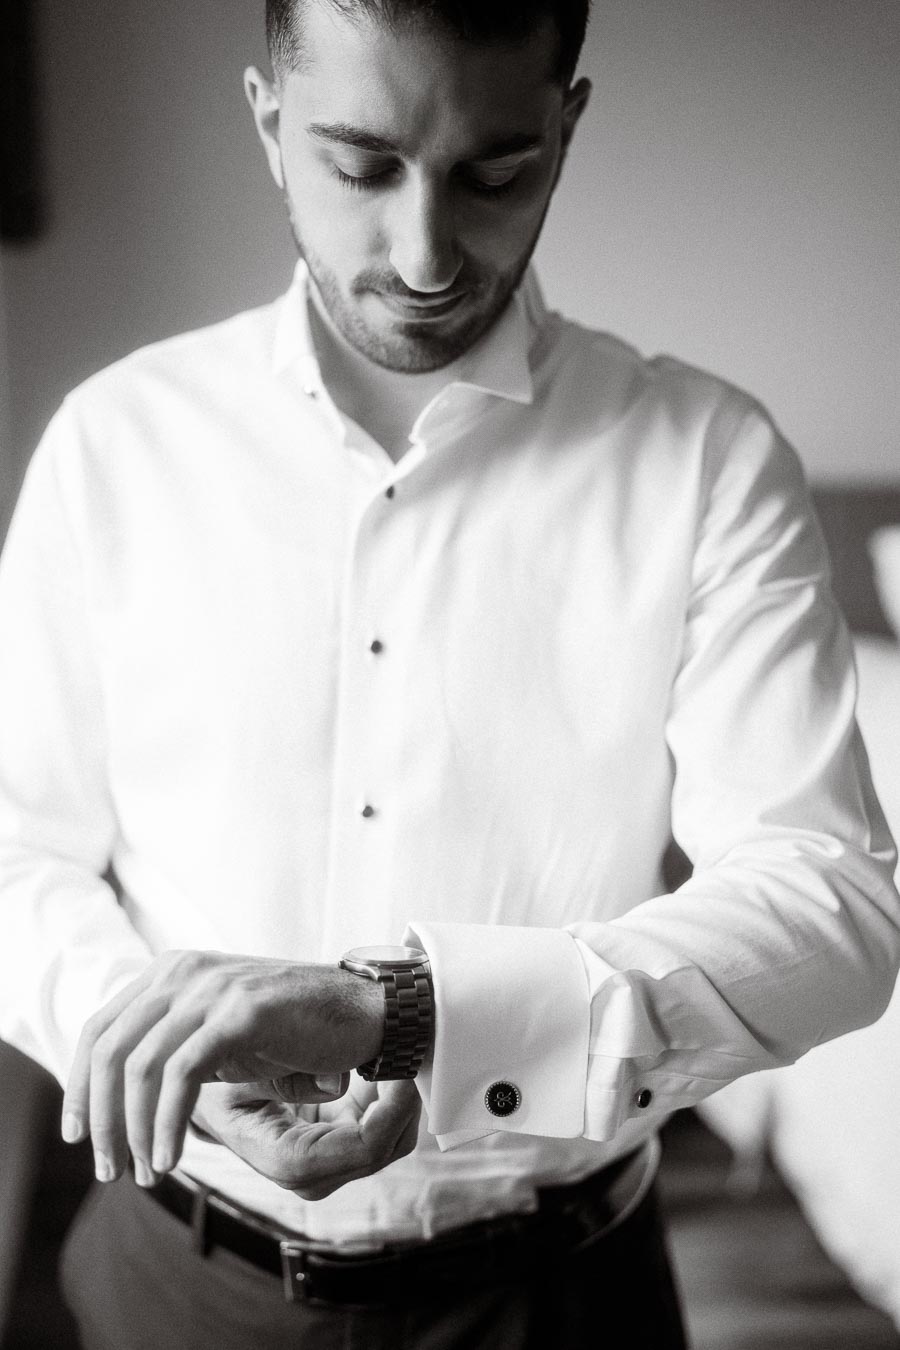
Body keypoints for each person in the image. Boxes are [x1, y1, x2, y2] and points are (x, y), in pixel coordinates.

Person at [0, 0, 897, 1346]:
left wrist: (408, 1012)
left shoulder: (709, 459)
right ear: (267, 122)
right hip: (170, 1279)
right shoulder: (111, 448)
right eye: (360, 165)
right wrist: (157, 1049)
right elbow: (15, 841)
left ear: (567, 128)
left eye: (496, 172)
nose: (425, 253)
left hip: (564, 1294)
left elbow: (830, 904)